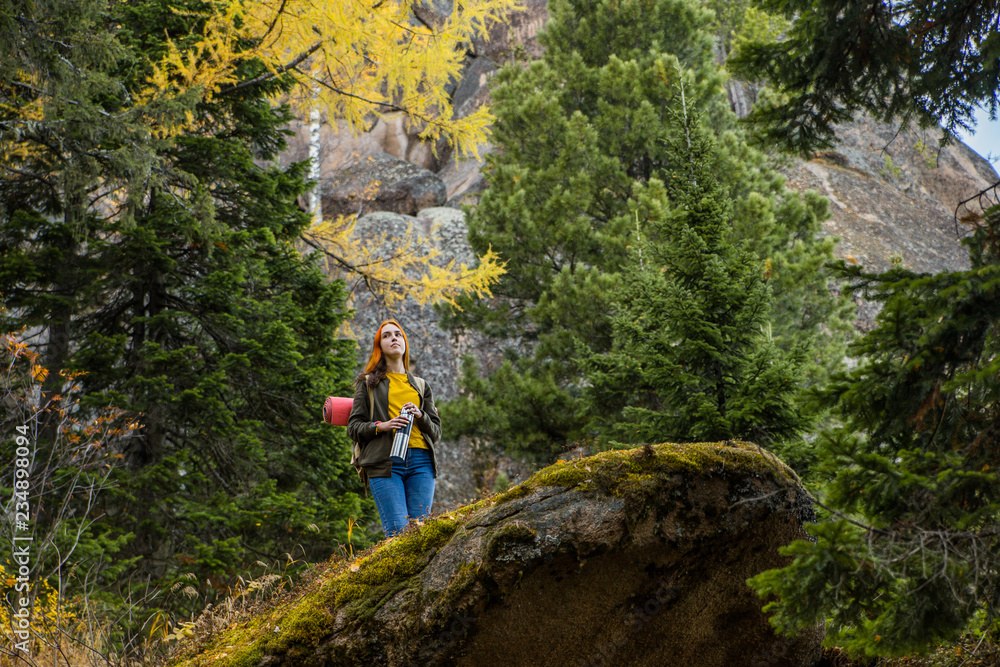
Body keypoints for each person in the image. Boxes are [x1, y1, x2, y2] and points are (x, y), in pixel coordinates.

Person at [347, 319, 441, 537]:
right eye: (386, 336)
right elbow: (353, 427)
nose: (394, 338)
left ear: (405, 343)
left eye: (398, 334)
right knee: (398, 532)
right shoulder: (368, 383)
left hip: (422, 462)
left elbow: (435, 433)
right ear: (379, 346)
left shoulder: (421, 385)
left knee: (420, 534)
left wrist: (421, 415)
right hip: (384, 461)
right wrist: (383, 426)